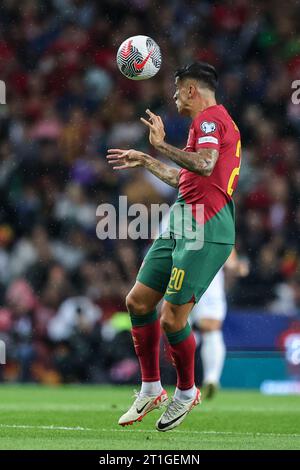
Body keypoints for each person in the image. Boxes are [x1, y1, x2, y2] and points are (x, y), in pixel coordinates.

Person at [106, 62, 241, 432]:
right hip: (182, 219)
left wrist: (161, 145)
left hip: (206, 226)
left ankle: (186, 391)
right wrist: (148, 158)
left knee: (171, 318)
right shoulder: (204, 125)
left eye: (178, 89)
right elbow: (185, 177)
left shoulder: (211, 121)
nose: (174, 96)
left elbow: (205, 163)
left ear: (192, 90)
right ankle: (151, 388)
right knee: (138, 301)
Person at [190, 249, 249, 399]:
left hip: (180, 278)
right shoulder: (217, 225)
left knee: (185, 330)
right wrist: (236, 266)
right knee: (209, 330)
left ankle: (200, 380)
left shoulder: (169, 224)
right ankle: (210, 378)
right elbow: (229, 254)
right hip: (207, 282)